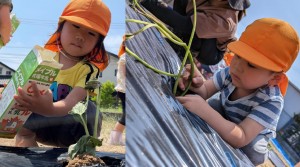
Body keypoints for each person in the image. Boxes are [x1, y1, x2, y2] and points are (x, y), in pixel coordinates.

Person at [176, 18, 299, 165]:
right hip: (226, 113)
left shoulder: (271, 101)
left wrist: (204, 111)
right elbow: (205, 91)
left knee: (253, 152)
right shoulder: (230, 73)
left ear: (274, 78)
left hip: (249, 134)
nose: (238, 66)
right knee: (213, 105)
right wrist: (194, 82)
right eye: (238, 56)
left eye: (252, 65)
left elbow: (241, 137)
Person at [13, 0, 111, 147]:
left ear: (98, 42)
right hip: (41, 126)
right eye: (76, 26)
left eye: (91, 33)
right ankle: (27, 151)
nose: (80, 36)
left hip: (70, 132)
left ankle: (78, 156)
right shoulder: (42, 58)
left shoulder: (88, 70)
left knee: (89, 110)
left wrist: (49, 109)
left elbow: (70, 104)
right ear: (61, 27)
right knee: (26, 108)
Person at [139, 0, 250, 67]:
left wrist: (148, 2)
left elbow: (185, 24)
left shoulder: (226, 21)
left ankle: (183, 51)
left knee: (197, 33)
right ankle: (178, 38)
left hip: (211, 51)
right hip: (195, 21)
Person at [110, 38, 126, 146]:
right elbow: (127, 74)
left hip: (124, 89)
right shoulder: (125, 57)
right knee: (127, 115)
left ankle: (116, 138)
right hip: (124, 90)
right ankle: (114, 139)